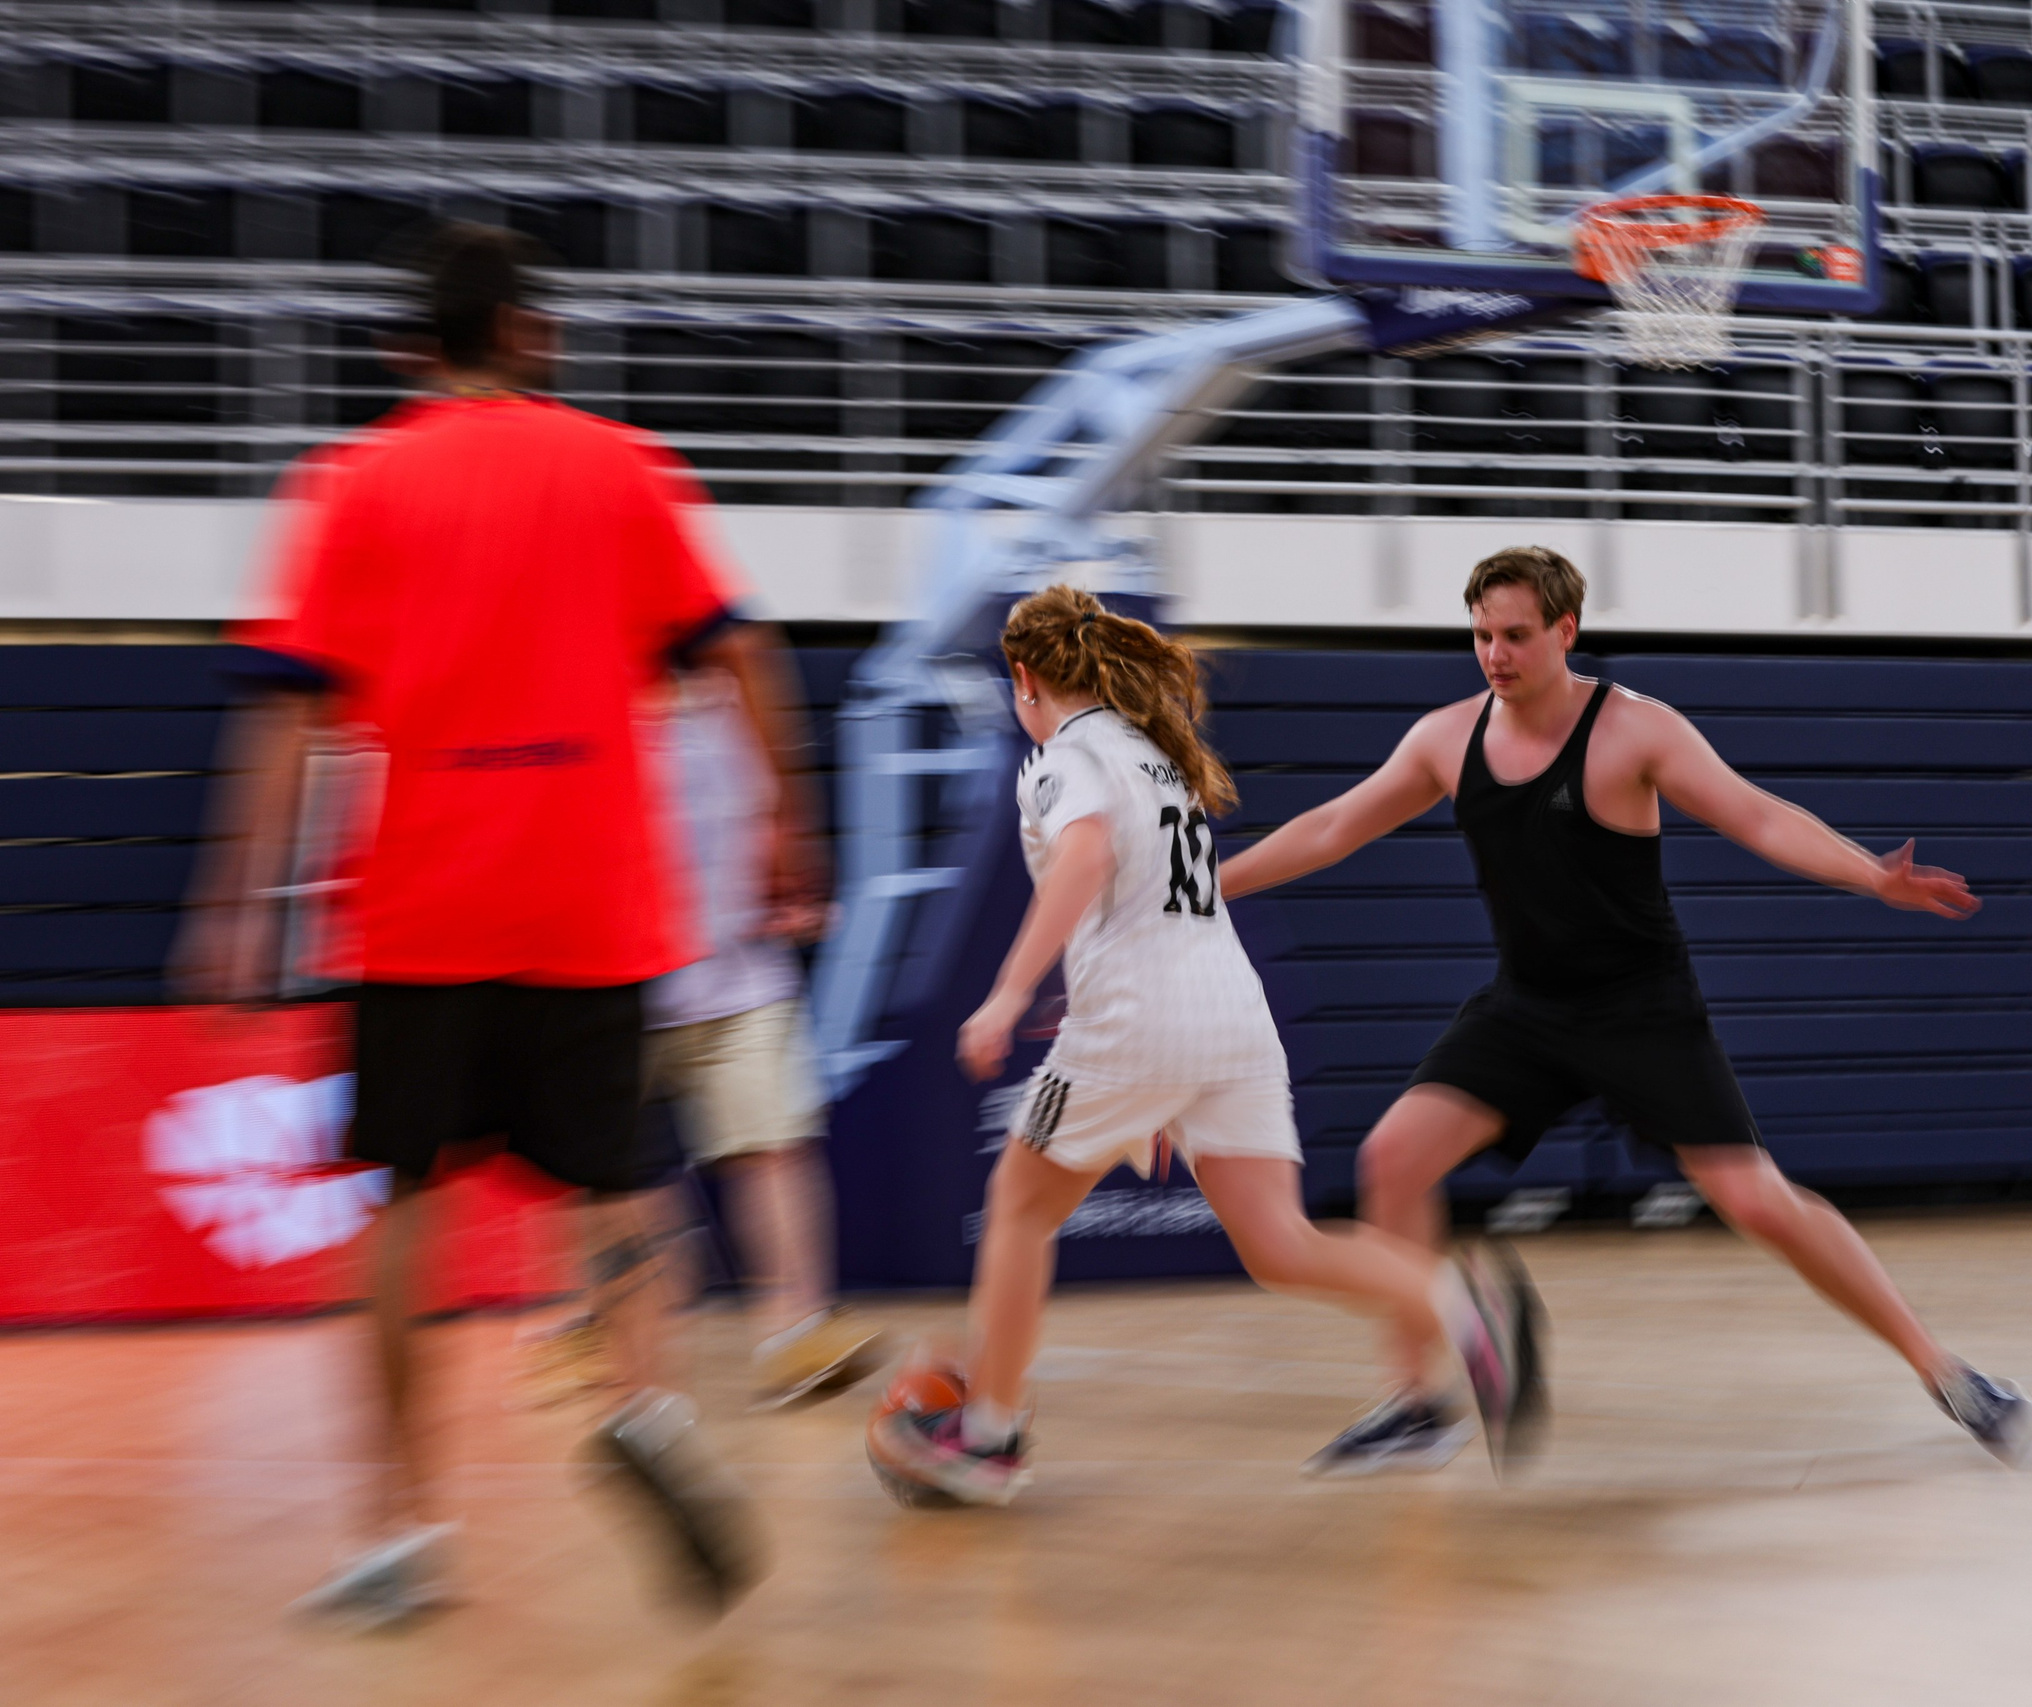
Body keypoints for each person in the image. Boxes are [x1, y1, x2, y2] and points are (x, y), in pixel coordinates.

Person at [180, 223, 821, 1624]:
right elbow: (739, 649)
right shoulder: (622, 466)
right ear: (532, 332)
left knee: (406, 1197)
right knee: (621, 1182)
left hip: (420, 902)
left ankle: (401, 1530)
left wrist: (238, 901)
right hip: (595, 894)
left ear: (410, 348)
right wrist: (787, 819)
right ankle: (643, 1397)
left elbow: (291, 705)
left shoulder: (351, 482)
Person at [1217, 546, 2032, 1474]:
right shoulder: (1445, 738)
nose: (1494, 653)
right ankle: (1418, 1405)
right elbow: (1333, 825)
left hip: (1641, 1009)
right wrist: (1210, 883)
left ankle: (1949, 1373)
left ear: (1566, 630)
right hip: (1526, 1007)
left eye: (1515, 635)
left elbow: (1756, 814)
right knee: (1392, 1160)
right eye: (1482, 634)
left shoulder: (1635, 729)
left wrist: (1869, 875)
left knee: (1755, 1200)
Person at [866, 584, 1535, 1507]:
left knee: (1018, 1206)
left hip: (1143, 1022)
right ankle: (1465, 1310)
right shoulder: (1153, 756)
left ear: (1024, 679)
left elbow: (1089, 856)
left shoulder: (1063, 757)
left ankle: (988, 1434)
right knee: (1280, 1241)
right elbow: (1137, 899)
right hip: (1229, 1017)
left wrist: (1010, 990)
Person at [516, 664, 884, 1413]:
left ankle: (796, 1329)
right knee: (611, 1184)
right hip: (618, 992)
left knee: (775, 1147)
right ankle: (599, 1327)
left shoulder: (739, 702)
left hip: (742, 978)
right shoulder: (583, 705)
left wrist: (795, 887)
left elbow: (776, 823)